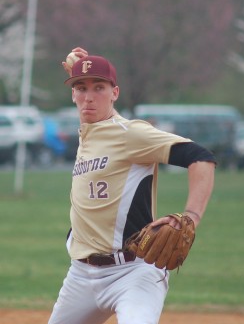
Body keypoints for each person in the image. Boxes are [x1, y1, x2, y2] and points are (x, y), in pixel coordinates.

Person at [48, 47, 216, 324]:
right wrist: (83, 69)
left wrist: (192, 217)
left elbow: (201, 157)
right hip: (82, 274)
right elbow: (89, 96)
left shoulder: (131, 134)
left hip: (134, 272)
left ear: (115, 93)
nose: (88, 97)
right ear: (73, 94)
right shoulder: (88, 130)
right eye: (81, 88)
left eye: (99, 88)